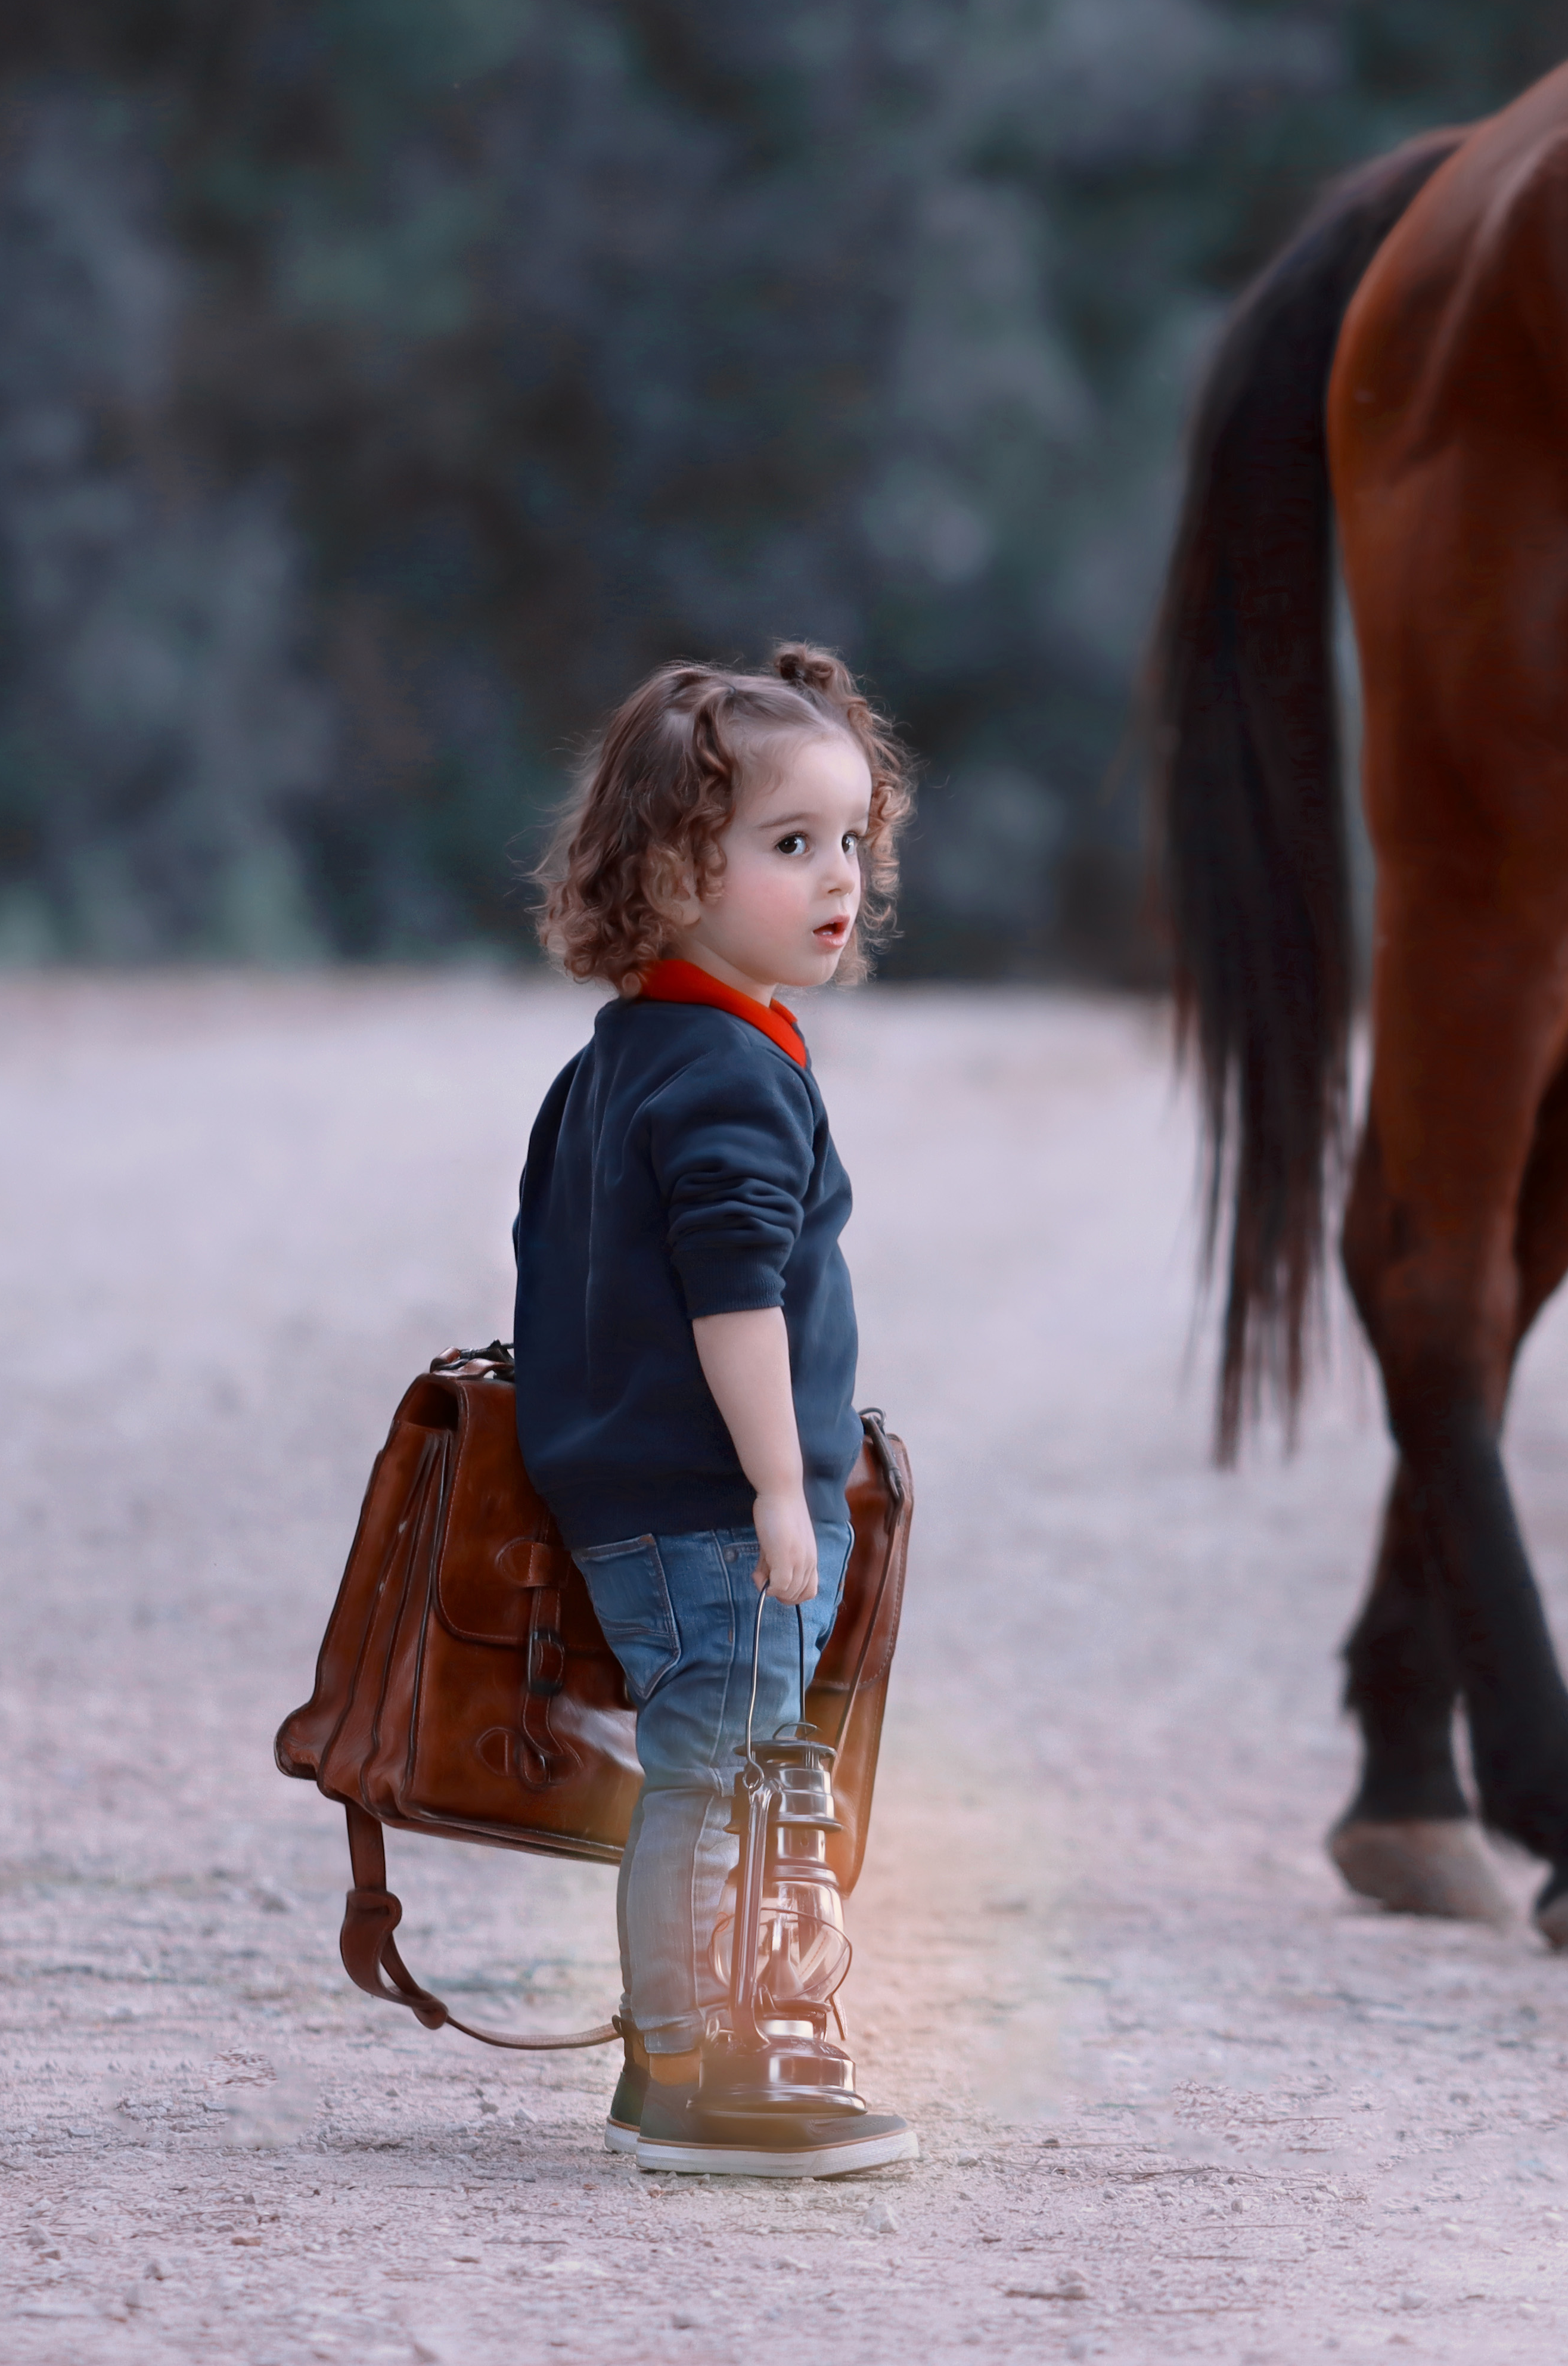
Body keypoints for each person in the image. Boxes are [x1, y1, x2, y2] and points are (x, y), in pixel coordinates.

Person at [513, 644, 918, 2178]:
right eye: (791, 843)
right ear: (676, 869)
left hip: (641, 1492)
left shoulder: (626, 1055)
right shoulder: (730, 1075)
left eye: (855, 841)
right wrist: (774, 1489)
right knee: (729, 1771)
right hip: (712, 1505)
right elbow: (731, 1300)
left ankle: (675, 2055)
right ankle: (714, 2070)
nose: (840, 879)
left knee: (709, 1761)